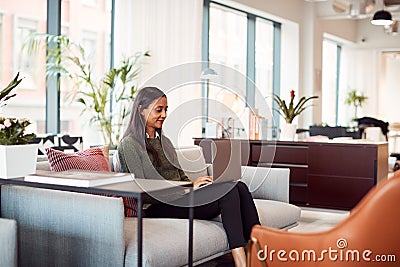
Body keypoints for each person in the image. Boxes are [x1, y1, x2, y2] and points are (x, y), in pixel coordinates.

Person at [118, 86, 260, 266]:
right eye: (158, 110)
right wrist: (185, 189)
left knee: (238, 185)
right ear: (141, 110)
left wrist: (194, 184)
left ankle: (261, 249)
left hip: (181, 198)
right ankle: (242, 261)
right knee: (228, 192)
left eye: (166, 109)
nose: (164, 114)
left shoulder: (165, 141)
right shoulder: (129, 145)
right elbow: (142, 189)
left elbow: (178, 174)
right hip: (158, 207)